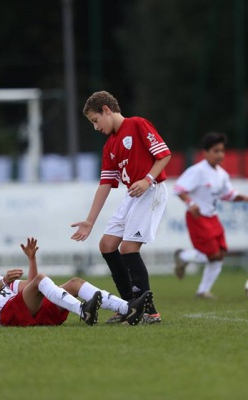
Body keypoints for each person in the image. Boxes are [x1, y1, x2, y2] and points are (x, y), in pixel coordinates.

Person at [71, 91, 171, 324]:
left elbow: (164, 155)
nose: (95, 127)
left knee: (127, 247)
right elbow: (105, 184)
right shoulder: (110, 146)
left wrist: (147, 179)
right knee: (107, 245)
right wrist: (89, 221)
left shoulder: (137, 124)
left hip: (152, 189)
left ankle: (149, 311)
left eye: (95, 120)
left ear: (106, 110)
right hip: (132, 195)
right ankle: (129, 306)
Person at [0, 237, 153, 327]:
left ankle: (128, 308)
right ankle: (84, 311)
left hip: (30, 313)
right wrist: (3, 282)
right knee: (41, 280)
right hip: (9, 318)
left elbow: (31, 287)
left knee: (74, 283)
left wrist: (31, 259)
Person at [173, 132, 248, 299]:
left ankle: (202, 290)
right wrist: (191, 204)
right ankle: (182, 256)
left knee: (220, 255)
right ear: (205, 152)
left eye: (222, 151)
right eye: (216, 150)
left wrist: (243, 198)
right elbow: (179, 189)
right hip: (198, 218)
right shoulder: (197, 171)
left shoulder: (222, 174)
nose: (220, 154)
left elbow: (228, 195)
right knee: (212, 254)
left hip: (213, 217)